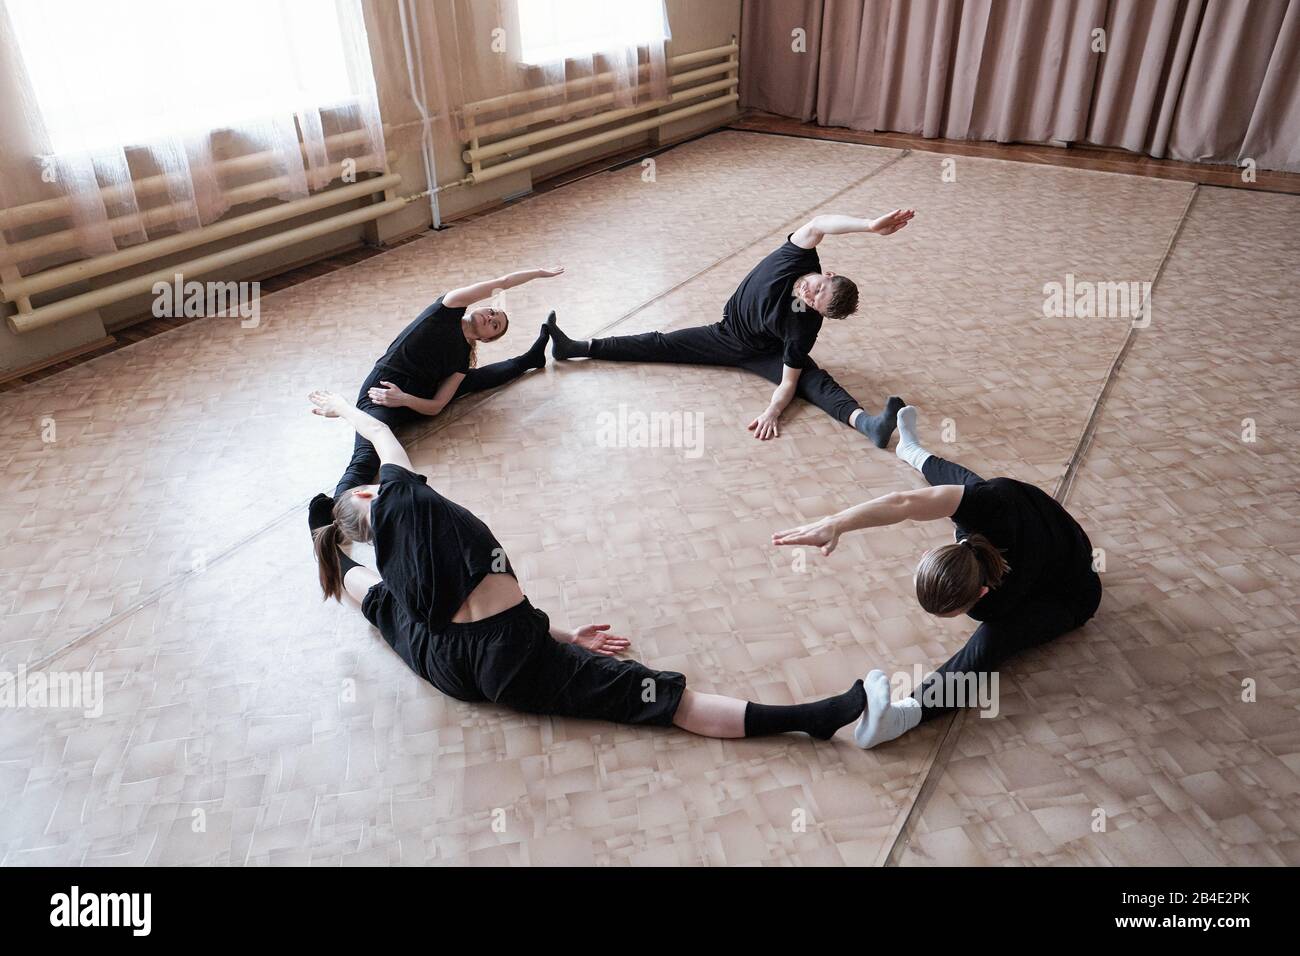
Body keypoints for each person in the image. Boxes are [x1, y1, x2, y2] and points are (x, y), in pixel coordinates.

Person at [307, 390, 869, 740]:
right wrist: (340, 407)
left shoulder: (393, 560)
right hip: (510, 654)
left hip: (449, 666)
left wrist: (567, 634)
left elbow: (481, 613)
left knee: (380, 604)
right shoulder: (401, 494)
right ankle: (808, 720)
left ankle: (325, 547)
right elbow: (381, 432)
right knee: (651, 698)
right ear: (364, 497)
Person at [772, 406, 1102, 748]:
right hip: (1045, 524)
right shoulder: (989, 503)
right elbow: (904, 502)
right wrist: (835, 523)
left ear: (982, 592)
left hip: (1073, 592)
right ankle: (911, 450)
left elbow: (985, 639)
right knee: (965, 487)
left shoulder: (992, 606)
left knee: (990, 645)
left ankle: (899, 718)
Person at [544, 210, 916, 446]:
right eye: (818, 286)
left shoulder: (804, 325)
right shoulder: (798, 254)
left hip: (750, 349)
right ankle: (576, 347)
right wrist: (869, 226)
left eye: (815, 300)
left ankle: (867, 424)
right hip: (727, 332)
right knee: (659, 343)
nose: (809, 291)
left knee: (812, 382)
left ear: (817, 311)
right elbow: (819, 223)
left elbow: (788, 381)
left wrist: (772, 411)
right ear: (827, 273)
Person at [331, 265, 565, 499]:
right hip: (380, 394)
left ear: (486, 338)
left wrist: (403, 398)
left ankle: (529, 359)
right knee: (366, 459)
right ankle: (331, 513)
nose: (490, 317)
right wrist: (537, 273)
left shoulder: (461, 362)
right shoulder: (448, 307)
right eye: (493, 312)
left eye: (495, 325)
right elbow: (501, 282)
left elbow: (436, 406)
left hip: (412, 400)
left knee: (471, 379)